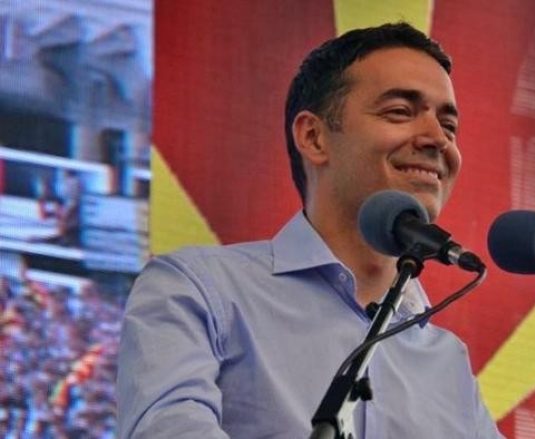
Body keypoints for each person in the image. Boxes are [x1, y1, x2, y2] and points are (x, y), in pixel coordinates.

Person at [117, 22, 503, 438]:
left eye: (449, 126)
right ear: (314, 137)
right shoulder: (200, 289)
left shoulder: (448, 364)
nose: (437, 139)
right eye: (399, 112)